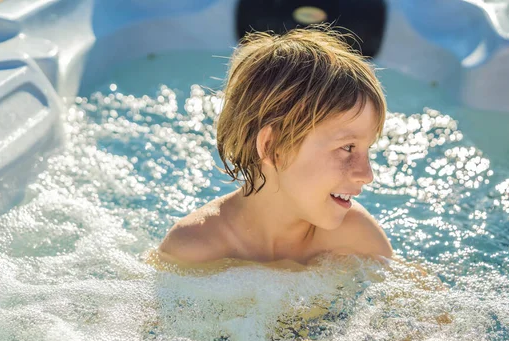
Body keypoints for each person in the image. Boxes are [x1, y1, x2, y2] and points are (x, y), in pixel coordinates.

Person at [151, 25, 393, 271]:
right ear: (272, 147)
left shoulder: (355, 237)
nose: (367, 175)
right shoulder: (194, 250)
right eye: (348, 148)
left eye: (367, 149)